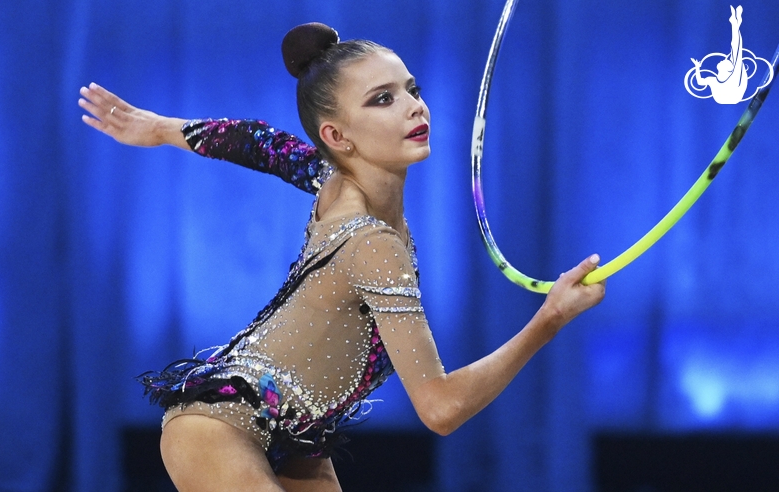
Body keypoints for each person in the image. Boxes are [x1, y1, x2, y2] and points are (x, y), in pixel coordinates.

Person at [79, 22, 605, 492]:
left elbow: (258, 142)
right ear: (336, 136)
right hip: (220, 427)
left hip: (296, 439)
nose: (414, 106)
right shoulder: (371, 243)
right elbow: (440, 408)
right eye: (383, 99)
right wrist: (549, 318)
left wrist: (162, 129)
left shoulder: (331, 182)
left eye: (411, 90)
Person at [691, 5, 748, 104]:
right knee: (735, 52)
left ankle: (735, 23)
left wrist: (735, 26)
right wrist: (697, 67)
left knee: (736, 51)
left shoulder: (733, 77)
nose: (724, 59)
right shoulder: (713, 80)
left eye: (726, 61)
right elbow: (700, 82)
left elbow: (737, 49)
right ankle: (735, 23)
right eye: (727, 61)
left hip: (733, 95)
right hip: (726, 96)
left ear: (728, 69)